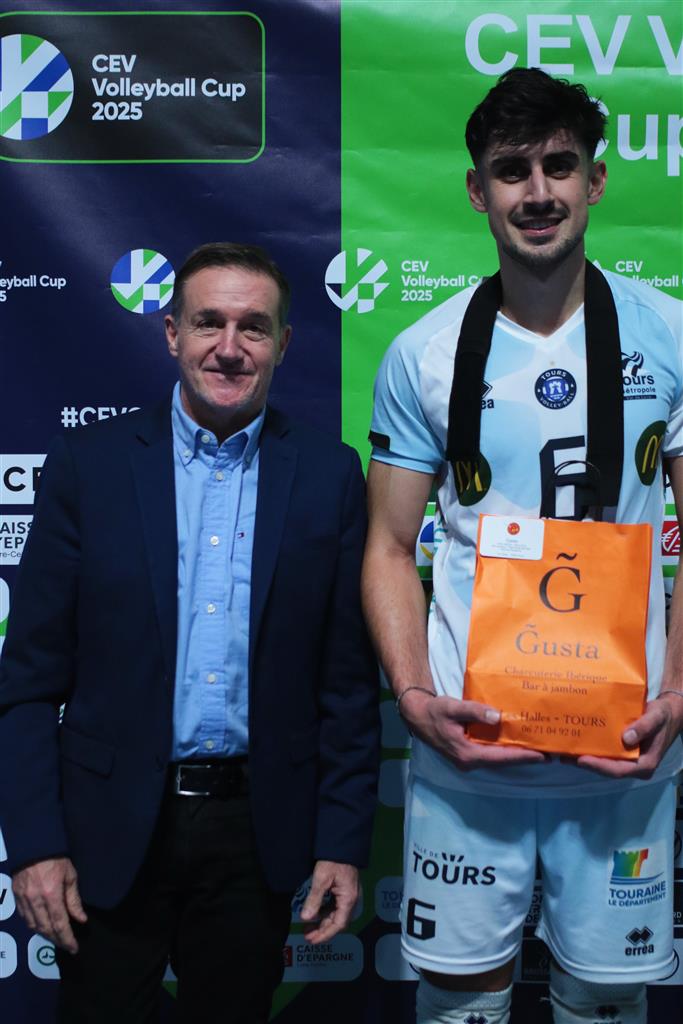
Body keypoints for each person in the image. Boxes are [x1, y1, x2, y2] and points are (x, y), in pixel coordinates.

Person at [362, 68, 683, 1024]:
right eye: (511, 170)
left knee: (605, 1002)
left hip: (623, 754)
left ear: (595, 181)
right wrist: (413, 697)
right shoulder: (421, 353)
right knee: (460, 1004)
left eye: (558, 165)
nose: (536, 191)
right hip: (472, 756)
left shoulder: (669, 333)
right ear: (476, 190)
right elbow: (388, 546)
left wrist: (676, 691)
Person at [0, 241, 380, 1023]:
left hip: (256, 833)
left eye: (253, 327)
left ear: (283, 343)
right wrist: (35, 844)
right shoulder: (89, 465)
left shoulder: (329, 475)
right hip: (106, 829)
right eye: (209, 322)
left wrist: (341, 844)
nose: (229, 348)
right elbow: (29, 683)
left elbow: (345, 686)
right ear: (172, 333)